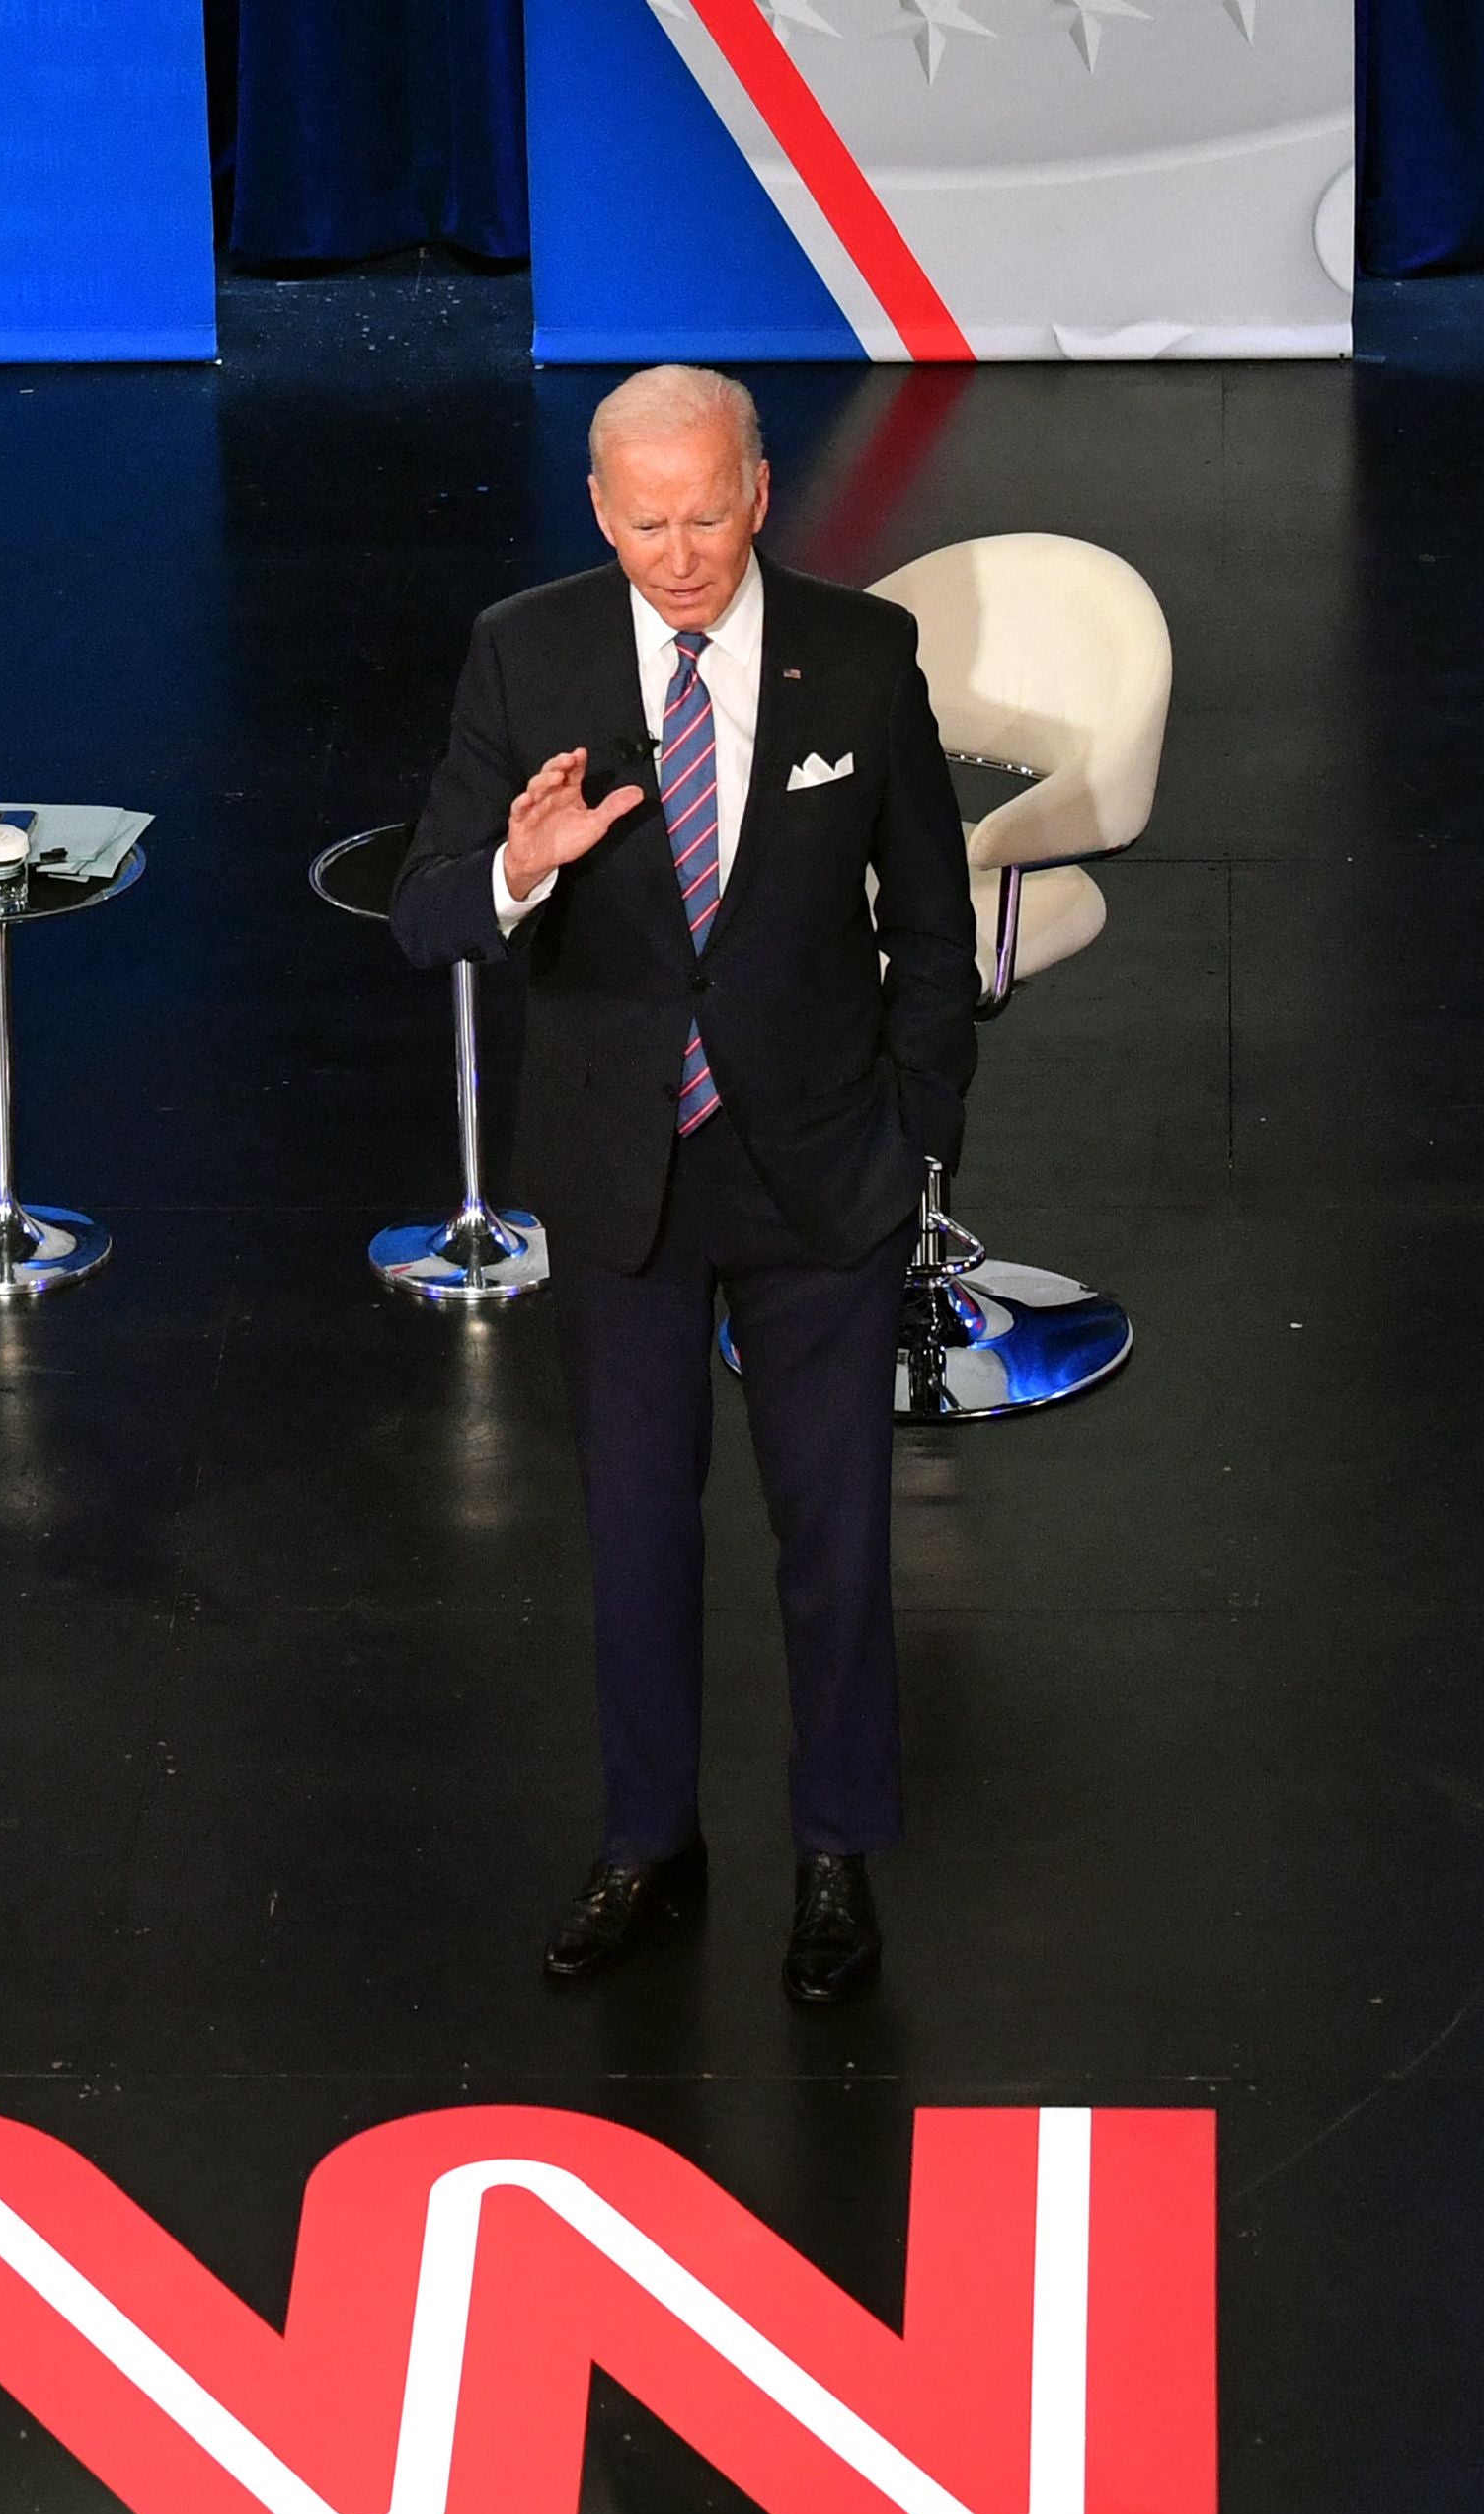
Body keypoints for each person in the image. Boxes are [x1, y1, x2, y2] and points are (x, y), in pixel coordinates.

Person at [388, 365, 976, 2003]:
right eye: (647, 522)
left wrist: (919, 1132)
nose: (682, 552)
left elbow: (932, 920)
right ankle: (648, 1840)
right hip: (621, 1174)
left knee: (835, 1536)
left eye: (708, 513)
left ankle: (836, 1855)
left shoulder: (862, 657)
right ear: (601, 510)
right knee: (637, 1531)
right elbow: (425, 909)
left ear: (762, 491)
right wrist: (523, 864)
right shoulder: (529, 649)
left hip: (820, 1172)